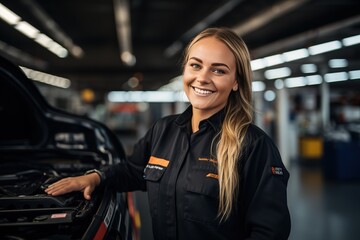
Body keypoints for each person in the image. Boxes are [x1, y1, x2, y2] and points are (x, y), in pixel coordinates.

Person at [45, 27, 291, 240]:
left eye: (218, 70)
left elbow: (269, 232)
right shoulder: (163, 130)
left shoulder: (254, 146)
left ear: (236, 81)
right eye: (196, 65)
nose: (202, 78)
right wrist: (95, 178)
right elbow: (133, 171)